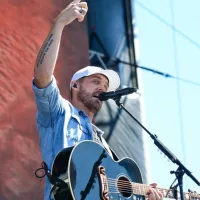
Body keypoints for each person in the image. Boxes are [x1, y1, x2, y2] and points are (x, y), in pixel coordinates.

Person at [32, 0, 163, 200]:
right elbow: (42, 76)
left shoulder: (102, 146)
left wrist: (146, 195)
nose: (102, 88)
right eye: (95, 81)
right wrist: (59, 24)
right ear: (75, 85)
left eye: (104, 86)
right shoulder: (59, 113)